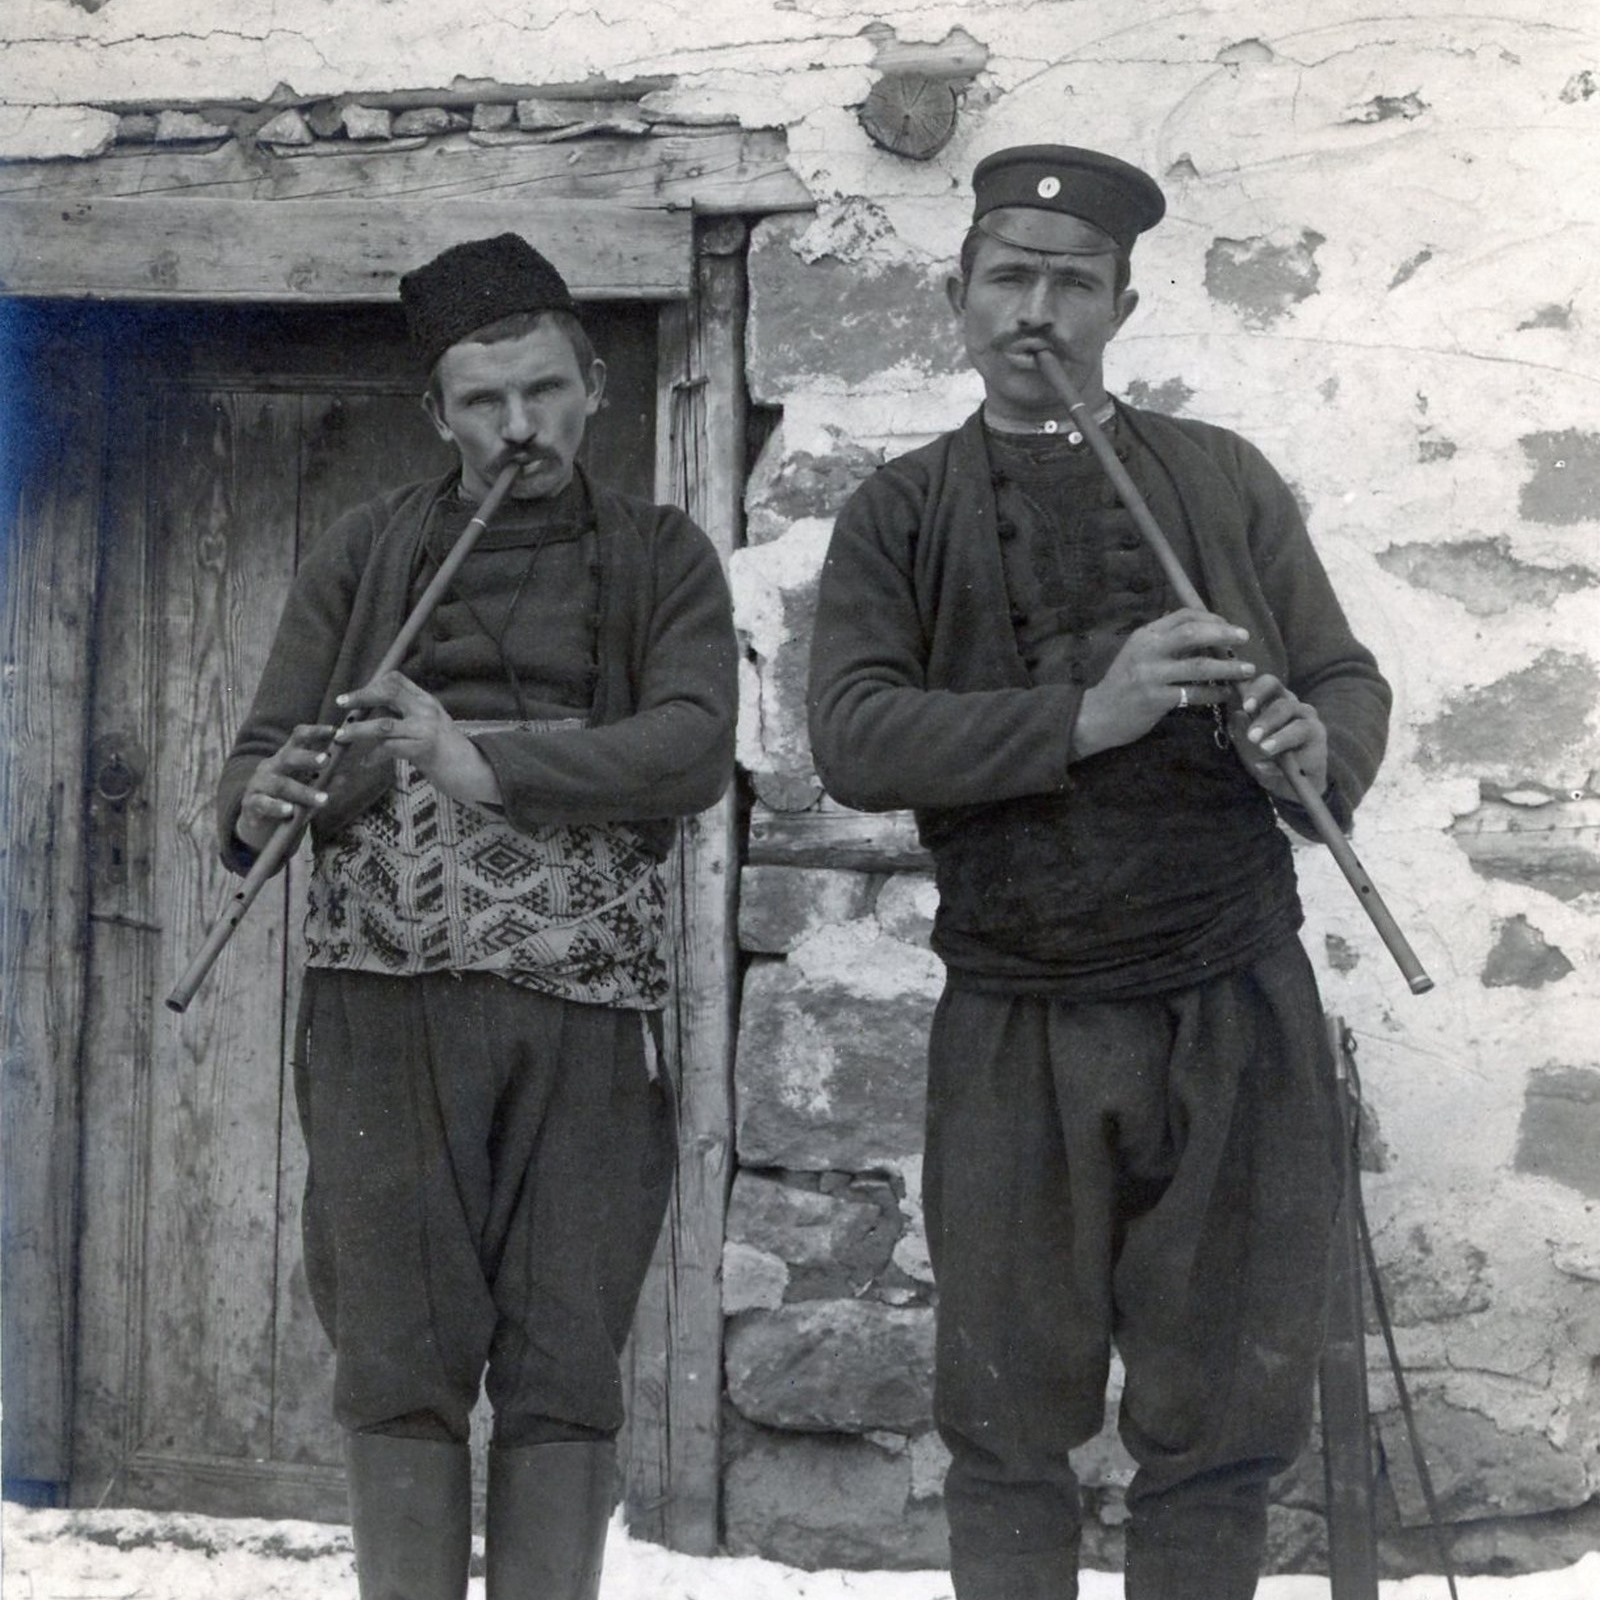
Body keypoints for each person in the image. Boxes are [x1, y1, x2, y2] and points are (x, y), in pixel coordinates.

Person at [808, 147, 1392, 1600]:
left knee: (1222, 1421)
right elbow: (855, 735)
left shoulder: (1224, 479)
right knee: (1007, 1419)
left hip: (1230, 997)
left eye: (1074, 286)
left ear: (1121, 310)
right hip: (1018, 1016)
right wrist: (1091, 713)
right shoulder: (901, 510)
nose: (1037, 312)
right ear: (957, 298)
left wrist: (1311, 744)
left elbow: (1343, 675)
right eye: (1009, 277)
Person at [215, 232, 737, 1600]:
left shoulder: (663, 557)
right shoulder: (364, 550)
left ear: (597, 386)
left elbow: (691, 747)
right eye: (485, 401)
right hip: (384, 1006)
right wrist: (264, 796)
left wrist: (476, 761)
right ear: (435, 413)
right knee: (397, 1349)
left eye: (546, 391)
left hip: (587, 1011)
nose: (520, 428)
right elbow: (258, 760)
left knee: (566, 1355)